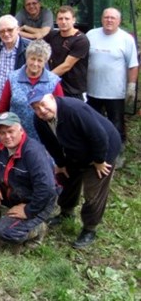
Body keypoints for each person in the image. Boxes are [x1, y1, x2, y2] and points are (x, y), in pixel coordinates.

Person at [31, 92, 121, 249]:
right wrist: (60, 163)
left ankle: (89, 229)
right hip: (75, 150)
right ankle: (66, 212)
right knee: (67, 179)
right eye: (36, 108)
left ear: (52, 98)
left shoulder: (74, 109)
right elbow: (51, 143)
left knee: (93, 193)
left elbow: (99, 136)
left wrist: (99, 161)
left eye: (43, 104)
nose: (42, 110)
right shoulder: (39, 120)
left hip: (103, 150)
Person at [0, 111, 58, 248]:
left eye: (11, 131)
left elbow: (47, 188)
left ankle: (38, 228)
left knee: (6, 232)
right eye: (2, 133)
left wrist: (29, 210)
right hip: (14, 190)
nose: (7, 136)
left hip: (37, 200)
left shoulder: (33, 153)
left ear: (21, 130)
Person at [86, 8, 138, 144]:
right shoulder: (91, 35)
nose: (109, 20)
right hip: (92, 91)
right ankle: (96, 152)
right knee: (92, 124)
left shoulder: (126, 39)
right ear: (102, 19)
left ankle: (118, 152)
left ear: (119, 21)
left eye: (112, 18)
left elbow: (133, 65)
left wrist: (131, 86)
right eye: (106, 17)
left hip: (115, 92)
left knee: (116, 124)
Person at [0, 39, 63, 140]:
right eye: (32, 59)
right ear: (27, 57)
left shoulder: (53, 81)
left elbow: (60, 110)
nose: (35, 63)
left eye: (40, 60)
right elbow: (2, 107)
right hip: (16, 135)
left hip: (44, 136)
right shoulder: (13, 78)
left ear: (45, 61)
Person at [44, 6, 89, 99]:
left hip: (74, 90)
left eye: (67, 19)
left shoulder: (81, 40)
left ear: (73, 20)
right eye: (60, 19)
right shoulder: (52, 35)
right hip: (55, 86)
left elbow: (66, 66)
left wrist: (44, 79)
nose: (63, 22)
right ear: (56, 21)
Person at [0, 14, 30, 100]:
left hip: (20, 102)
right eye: (2, 31)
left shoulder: (29, 49)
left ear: (17, 29)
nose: (6, 34)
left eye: (10, 30)